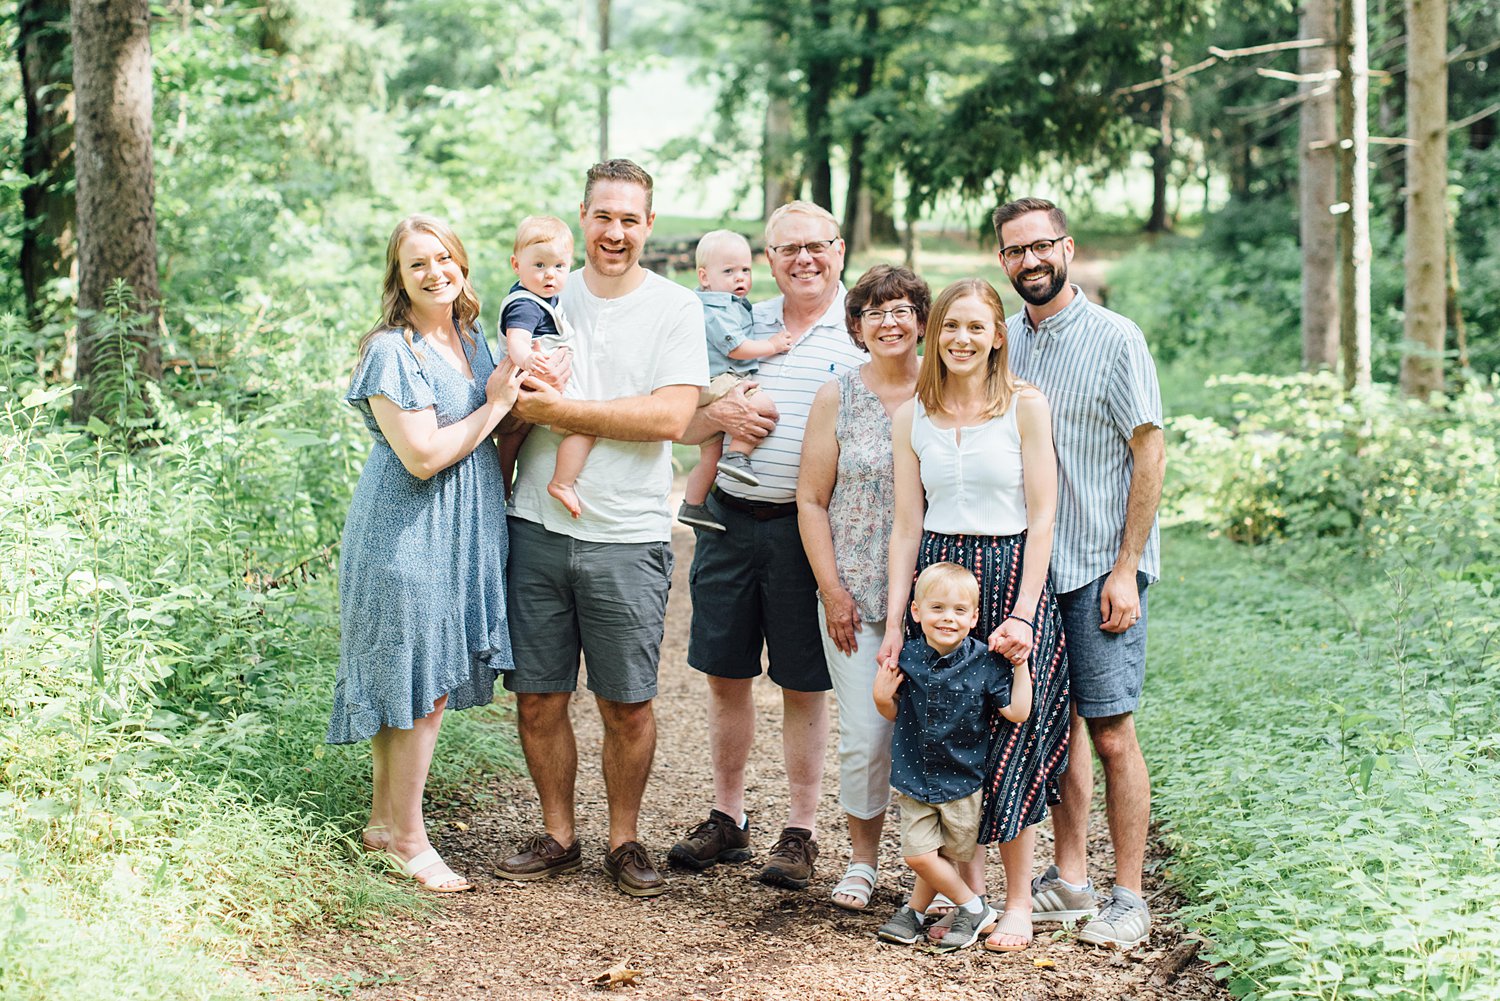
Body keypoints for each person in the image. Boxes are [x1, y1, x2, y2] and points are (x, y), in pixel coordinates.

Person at [495, 159, 707, 898]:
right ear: (582, 216)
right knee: (538, 696)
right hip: (536, 526)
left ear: (649, 225)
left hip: (629, 532)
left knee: (627, 701)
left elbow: (671, 418)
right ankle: (558, 833)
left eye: (629, 219)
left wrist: (559, 413)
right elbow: (506, 390)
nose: (614, 232)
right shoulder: (544, 291)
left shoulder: (676, 308)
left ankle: (624, 838)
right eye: (603, 216)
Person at [669, 201, 865, 890]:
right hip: (728, 520)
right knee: (725, 673)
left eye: (816, 246)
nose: (803, 259)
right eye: (787, 250)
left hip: (808, 531)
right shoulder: (737, 322)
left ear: (839, 250)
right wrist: (716, 414)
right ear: (768, 260)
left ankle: (801, 830)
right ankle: (728, 819)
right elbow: (684, 420)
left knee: (803, 681)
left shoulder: (862, 328)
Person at [327, 214, 526, 893]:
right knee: (419, 682)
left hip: (460, 531)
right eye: (418, 264)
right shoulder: (393, 350)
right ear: (399, 279)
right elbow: (421, 455)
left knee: (412, 680)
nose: (435, 270)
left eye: (444, 257)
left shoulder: (470, 339)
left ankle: (385, 825)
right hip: (404, 534)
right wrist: (498, 406)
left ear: (462, 263)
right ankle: (410, 838)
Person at [877, 278, 1070, 953]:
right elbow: (906, 526)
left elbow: (1045, 516)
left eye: (975, 326)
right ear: (934, 334)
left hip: (1012, 576)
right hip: (942, 583)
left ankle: (1017, 903)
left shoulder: (1024, 407)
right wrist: (898, 620)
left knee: (1011, 742)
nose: (961, 338)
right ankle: (964, 897)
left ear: (996, 335)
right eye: (950, 325)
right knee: (943, 730)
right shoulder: (912, 417)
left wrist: (1021, 613)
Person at [993, 197, 1165, 950]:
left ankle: (1129, 895)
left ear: (1067, 246)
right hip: (1030, 572)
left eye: (1041, 247)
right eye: (1013, 251)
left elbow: (1149, 452)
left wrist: (1127, 567)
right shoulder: (1001, 343)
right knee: (1051, 733)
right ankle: (1071, 881)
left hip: (1100, 566)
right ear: (1001, 261)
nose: (1029, 261)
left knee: (1113, 731)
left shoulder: (1115, 339)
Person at [795, 264, 929, 910]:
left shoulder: (944, 393)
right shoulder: (837, 397)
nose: (889, 321)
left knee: (932, 726)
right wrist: (831, 588)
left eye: (902, 308)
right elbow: (811, 499)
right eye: (874, 311)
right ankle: (862, 859)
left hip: (935, 601)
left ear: (922, 322)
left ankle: (935, 867)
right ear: (856, 326)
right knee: (866, 733)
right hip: (854, 595)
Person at [872, 563, 1031, 952]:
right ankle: (973, 907)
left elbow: (1016, 713)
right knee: (919, 854)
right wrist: (880, 696)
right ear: (916, 612)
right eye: (938, 608)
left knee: (941, 854)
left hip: (962, 781)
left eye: (960, 610)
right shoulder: (907, 658)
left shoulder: (985, 662)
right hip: (914, 775)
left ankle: (913, 912)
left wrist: (1022, 667)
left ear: (974, 616)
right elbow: (893, 711)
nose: (948, 618)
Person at [678, 230, 795, 533]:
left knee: (709, 454)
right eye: (728, 271)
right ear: (704, 277)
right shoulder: (716, 309)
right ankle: (738, 456)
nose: (739, 278)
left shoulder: (721, 304)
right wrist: (772, 345)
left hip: (709, 383)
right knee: (764, 407)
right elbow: (736, 347)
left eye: (745, 269)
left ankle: (692, 504)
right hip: (720, 380)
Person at [497, 215, 593, 518]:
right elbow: (517, 340)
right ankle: (562, 482)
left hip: (530, 379)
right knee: (585, 425)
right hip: (535, 377)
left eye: (559, 266)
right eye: (539, 266)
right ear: (516, 265)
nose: (549, 274)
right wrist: (526, 358)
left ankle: (501, 478)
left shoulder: (543, 298)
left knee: (515, 434)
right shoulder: (525, 304)